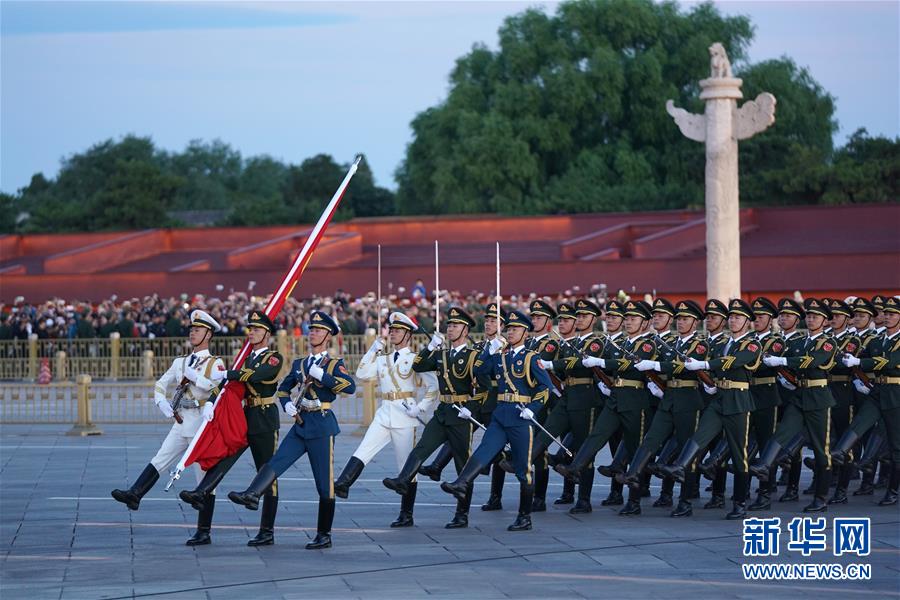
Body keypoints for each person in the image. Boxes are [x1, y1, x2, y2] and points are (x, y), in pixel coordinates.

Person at [229, 310, 356, 549]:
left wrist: (324, 377)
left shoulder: (333, 364)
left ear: (327, 336)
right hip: (301, 423)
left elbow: (350, 387)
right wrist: (286, 404)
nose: (312, 333)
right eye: (311, 329)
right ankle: (252, 494)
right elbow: (284, 388)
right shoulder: (300, 364)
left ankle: (324, 534)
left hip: (322, 425)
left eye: (317, 330)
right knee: (276, 461)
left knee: (324, 483)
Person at [111, 310, 225, 545]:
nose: (192, 333)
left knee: (203, 477)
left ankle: (204, 531)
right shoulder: (180, 362)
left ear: (208, 334)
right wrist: (161, 403)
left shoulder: (215, 363)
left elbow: (220, 387)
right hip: (181, 420)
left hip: (201, 423)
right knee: (160, 459)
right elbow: (160, 384)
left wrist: (197, 378)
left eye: (198, 330)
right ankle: (135, 494)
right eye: (191, 329)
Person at [179, 310, 284, 546]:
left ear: (266, 333)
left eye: (256, 329)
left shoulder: (273, 357)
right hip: (245, 418)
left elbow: (258, 375)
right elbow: (229, 385)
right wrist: (211, 401)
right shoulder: (245, 360)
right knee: (224, 456)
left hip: (265, 419)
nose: (251, 333)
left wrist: (229, 373)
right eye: (250, 329)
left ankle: (267, 531)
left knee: (267, 473)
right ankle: (201, 491)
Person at [440, 310, 552, 531]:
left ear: (525, 333)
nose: (510, 332)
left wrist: (533, 408)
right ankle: (462, 483)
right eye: (508, 329)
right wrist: (488, 352)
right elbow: (479, 371)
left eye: (515, 329)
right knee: (484, 450)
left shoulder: (531, 358)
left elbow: (545, 387)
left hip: (521, 417)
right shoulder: (500, 356)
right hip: (501, 414)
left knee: (523, 469)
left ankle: (525, 517)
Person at [659, 299, 762, 520]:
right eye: (731, 317)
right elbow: (715, 364)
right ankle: (681, 467)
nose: (733, 321)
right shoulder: (723, 344)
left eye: (738, 317)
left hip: (738, 400)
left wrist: (704, 366)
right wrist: (707, 379)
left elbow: (732, 362)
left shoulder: (752, 344)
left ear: (747, 322)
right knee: (699, 437)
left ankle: (739, 503)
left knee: (738, 453)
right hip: (719, 398)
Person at [332, 312, 437, 527]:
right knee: (364, 448)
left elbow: (433, 387)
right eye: (392, 330)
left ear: (407, 335)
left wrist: (420, 407)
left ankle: (406, 514)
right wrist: (373, 350)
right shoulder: (383, 359)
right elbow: (362, 374)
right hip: (384, 412)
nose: (393, 333)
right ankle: (343, 484)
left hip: (405, 415)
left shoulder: (415, 359)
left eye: (398, 330)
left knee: (405, 466)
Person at [383, 307, 480, 528]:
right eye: (449, 325)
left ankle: (462, 514)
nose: (450, 329)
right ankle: (403, 480)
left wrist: (471, 408)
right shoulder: (441, 354)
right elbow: (418, 365)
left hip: (461, 415)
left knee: (463, 465)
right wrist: (429, 347)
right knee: (422, 447)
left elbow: (484, 389)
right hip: (443, 412)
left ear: (465, 330)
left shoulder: (473, 356)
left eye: (455, 325)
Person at [624, 300, 708, 517]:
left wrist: (654, 365)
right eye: (679, 319)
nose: (681, 322)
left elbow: (683, 366)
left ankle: (685, 501)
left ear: (695, 323)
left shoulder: (699, 344)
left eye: (685, 319)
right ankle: (634, 475)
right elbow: (661, 363)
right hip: (669, 397)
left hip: (688, 400)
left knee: (686, 450)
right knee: (651, 439)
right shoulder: (672, 344)